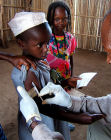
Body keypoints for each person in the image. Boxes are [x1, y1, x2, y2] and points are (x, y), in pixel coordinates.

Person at [37, 0, 111, 139]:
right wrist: (70, 102)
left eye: (110, 52)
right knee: (98, 126)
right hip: (57, 80)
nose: (108, 60)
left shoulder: (69, 39)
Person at [8, 12, 104, 140]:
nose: (46, 49)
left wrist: (65, 82)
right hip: (40, 124)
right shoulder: (28, 71)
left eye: (47, 43)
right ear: (21, 43)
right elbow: (41, 106)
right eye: (40, 45)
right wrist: (76, 117)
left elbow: (45, 93)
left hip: (52, 116)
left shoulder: (40, 60)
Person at [46, 1, 76, 81]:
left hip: (66, 79)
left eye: (65, 19)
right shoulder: (46, 38)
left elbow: (70, 59)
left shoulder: (70, 38)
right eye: (57, 19)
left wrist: (71, 76)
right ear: (51, 19)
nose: (61, 22)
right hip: (50, 82)